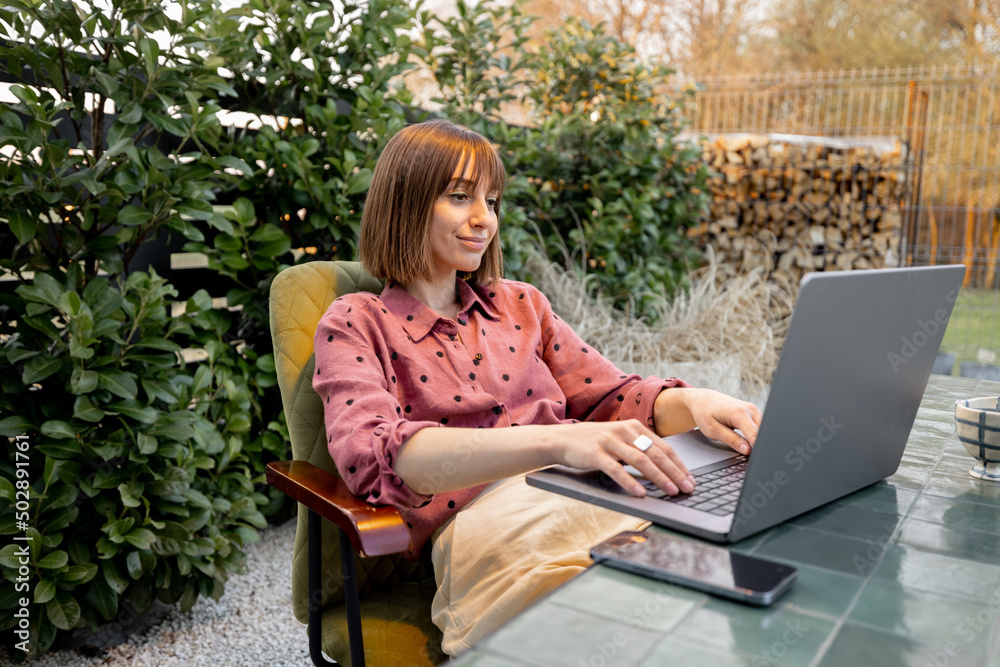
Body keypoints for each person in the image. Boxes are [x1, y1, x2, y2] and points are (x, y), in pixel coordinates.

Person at [313, 118, 762, 656]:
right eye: (460, 197)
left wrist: (697, 401)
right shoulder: (357, 321)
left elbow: (612, 396)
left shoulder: (523, 305)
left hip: (601, 494)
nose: (485, 220)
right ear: (405, 203)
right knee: (602, 632)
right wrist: (558, 442)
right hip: (494, 526)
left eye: (493, 202)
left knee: (723, 598)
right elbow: (374, 457)